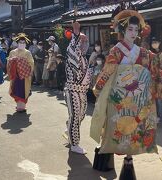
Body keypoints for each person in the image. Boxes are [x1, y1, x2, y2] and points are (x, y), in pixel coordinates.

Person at [90, 8, 162, 179]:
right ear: (122, 30)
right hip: (118, 98)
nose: (133, 33)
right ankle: (108, 155)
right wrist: (99, 88)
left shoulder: (142, 52)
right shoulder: (116, 51)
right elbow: (107, 72)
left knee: (134, 129)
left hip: (138, 98)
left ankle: (128, 161)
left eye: (136, 30)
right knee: (114, 127)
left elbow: (155, 63)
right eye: (130, 29)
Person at [63, 21, 93, 154]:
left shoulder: (85, 59)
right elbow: (73, 48)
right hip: (73, 90)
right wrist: (76, 34)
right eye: (82, 41)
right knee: (75, 117)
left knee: (81, 115)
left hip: (82, 92)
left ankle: (68, 128)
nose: (84, 44)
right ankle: (75, 144)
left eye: (86, 42)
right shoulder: (72, 55)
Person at [7, 33, 34, 113]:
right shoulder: (12, 52)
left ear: (25, 43)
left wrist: (22, 63)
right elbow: (8, 61)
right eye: (20, 42)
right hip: (16, 75)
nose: (22, 44)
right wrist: (13, 61)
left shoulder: (27, 52)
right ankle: (19, 105)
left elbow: (31, 63)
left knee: (23, 90)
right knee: (16, 89)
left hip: (24, 76)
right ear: (17, 43)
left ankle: (21, 107)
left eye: (23, 43)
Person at [151, 37, 162, 123]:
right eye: (153, 42)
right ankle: (157, 116)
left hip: (161, 78)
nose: (154, 43)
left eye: (156, 42)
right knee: (155, 98)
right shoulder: (151, 52)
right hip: (153, 78)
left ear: (159, 43)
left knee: (160, 98)